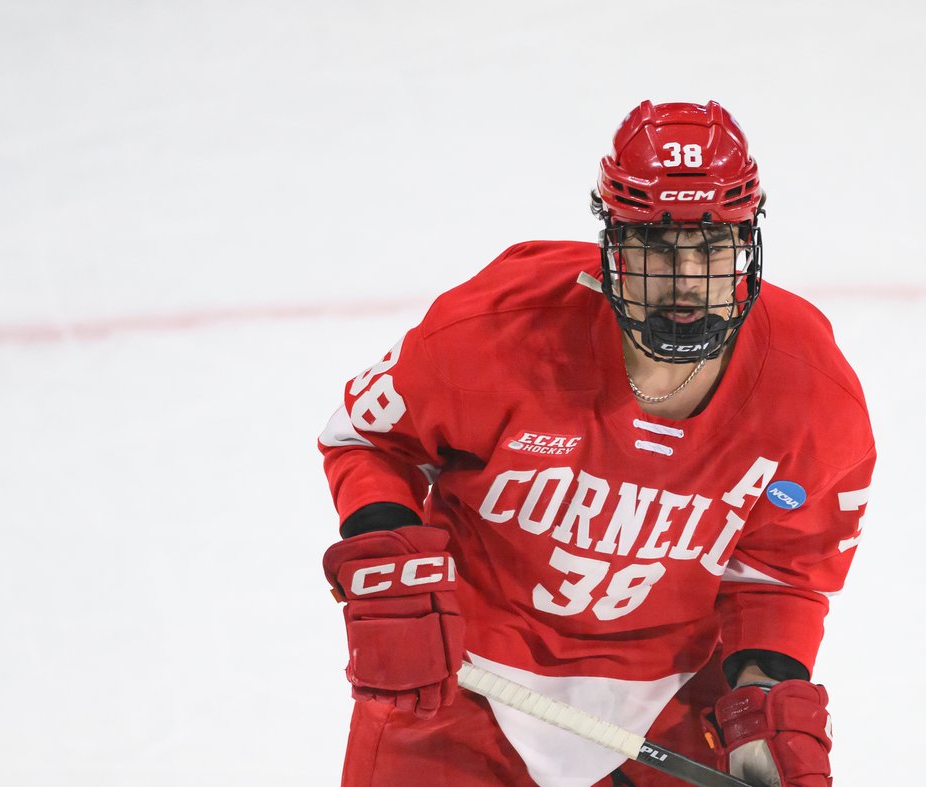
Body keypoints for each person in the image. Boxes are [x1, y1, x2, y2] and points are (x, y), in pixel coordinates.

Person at [317, 100, 876, 787]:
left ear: (747, 243)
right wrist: (388, 556)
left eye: (712, 246)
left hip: (666, 697)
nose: (686, 281)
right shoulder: (498, 331)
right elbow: (368, 438)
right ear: (612, 245)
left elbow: (782, 571)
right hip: (463, 677)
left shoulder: (810, 391)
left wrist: (764, 692)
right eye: (656, 248)